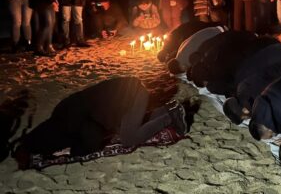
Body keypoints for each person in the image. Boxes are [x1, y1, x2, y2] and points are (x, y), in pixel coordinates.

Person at [13, 77, 188, 158]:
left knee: (129, 138)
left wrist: (73, 152)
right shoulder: (59, 115)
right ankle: (168, 109)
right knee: (128, 126)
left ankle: (170, 117)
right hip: (126, 90)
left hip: (132, 94)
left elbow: (93, 140)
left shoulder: (71, 124)